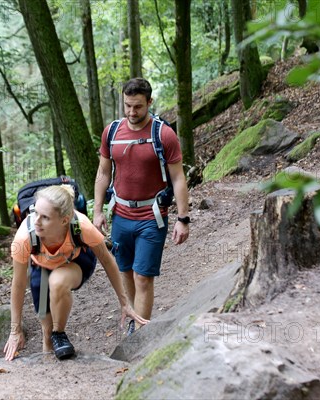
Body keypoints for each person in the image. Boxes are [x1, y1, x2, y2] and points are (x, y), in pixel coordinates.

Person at [4, 185, 148, 361]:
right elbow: (18, 284)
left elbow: (107, 261)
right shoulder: (24, 238)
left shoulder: (81, 226)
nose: (36, 221)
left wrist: (125, 304)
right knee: (46, 332)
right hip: (40, 269)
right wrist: (15, 330)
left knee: (57, 282)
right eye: (36, 213)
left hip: (77, 261)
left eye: (45, 217)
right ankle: (51, 371)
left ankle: (59, 333)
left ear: (64, 220)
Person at [93, 77, 190, 335]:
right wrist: (97, 211)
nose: (131, 112)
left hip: (152, 216)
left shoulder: (163, 134)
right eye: (127, 106)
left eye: (137, 106)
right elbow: (103, 174)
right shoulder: (111, 133)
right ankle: (134, 317)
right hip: (121, 216)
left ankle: (138, 334)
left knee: (143, 277)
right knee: (125, 272)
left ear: (149, 102)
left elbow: (179, 177)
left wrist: (183, 218)